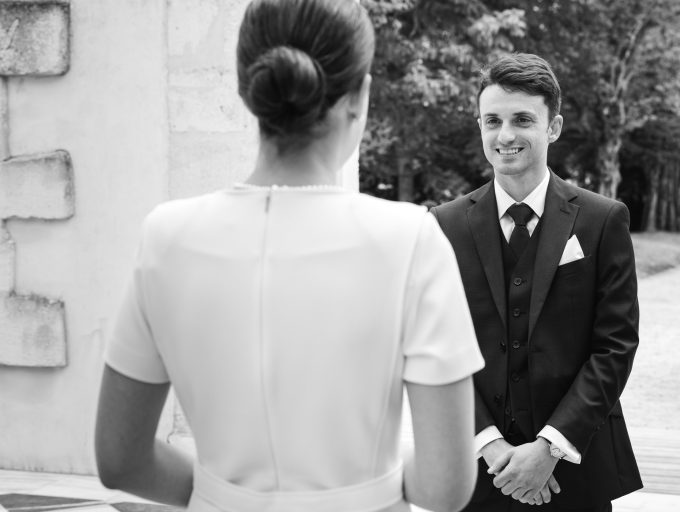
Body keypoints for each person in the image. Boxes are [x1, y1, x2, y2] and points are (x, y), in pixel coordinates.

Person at [94, 1, 484, 511]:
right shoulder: (411, 239)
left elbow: (120, 460)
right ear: (360, 96)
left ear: (247, 87)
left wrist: (226, 495)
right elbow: (445, 486)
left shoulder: (166, 236)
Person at [431, 53, 643, 511]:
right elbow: (437, 348)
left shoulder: (603, 219)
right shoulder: (443, 225)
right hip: (478, 471)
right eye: (492, 121)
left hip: (574, 469)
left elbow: (615, 346)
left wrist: (549, 449)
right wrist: (491, 446)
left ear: (553, 127)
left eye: (522, 119)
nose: (505, 135)